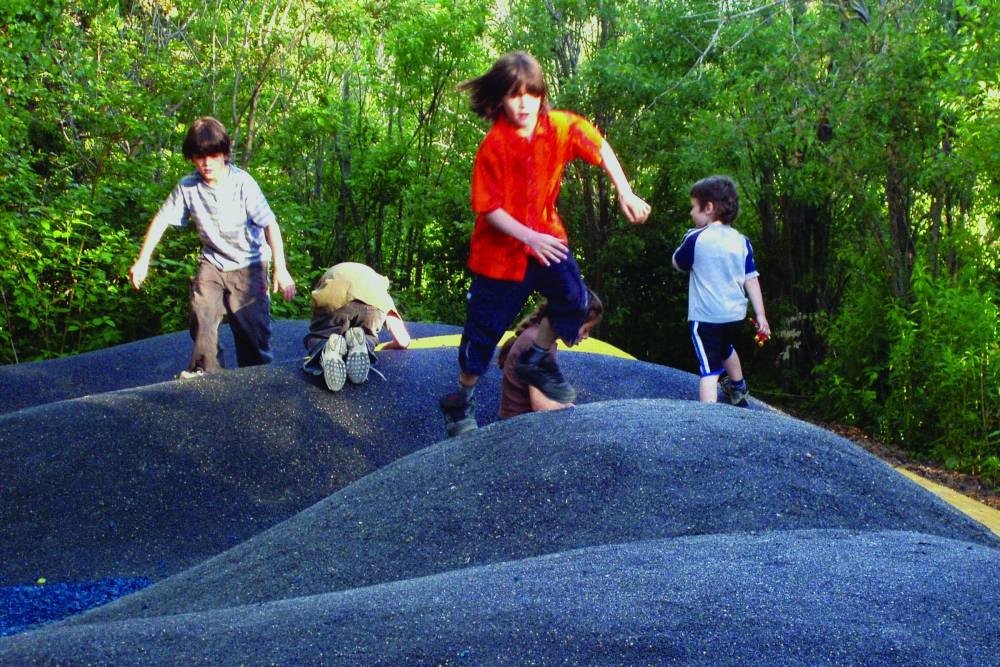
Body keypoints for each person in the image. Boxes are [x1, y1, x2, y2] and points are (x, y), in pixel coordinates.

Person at [439, 51, 651, 437]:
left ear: (541, 95)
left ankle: (536, 358)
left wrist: (625, 190)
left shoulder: (558, 126)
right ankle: (461, 402)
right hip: (500, 256)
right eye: (514, 95)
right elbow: (489, 209)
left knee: (576, 300)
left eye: (531, 95)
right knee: (482, 336)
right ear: (500, 98)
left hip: (546, 239)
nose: (523, 104)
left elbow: (599, 146)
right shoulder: (494, 146)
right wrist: (528, 235)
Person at [130, 116, 296, 377]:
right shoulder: (188, 187)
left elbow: (270, 224)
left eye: (213, 155)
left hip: (249, 264)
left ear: (225, 153)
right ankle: (207, 372)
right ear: (191, 157)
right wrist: (142, 260)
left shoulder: (243, 183)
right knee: (201, 312)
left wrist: (281, 268)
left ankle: (258, 376)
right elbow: (162, 219)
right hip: (213, 262)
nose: (206, 163)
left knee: (251, 329)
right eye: (199, 157)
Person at [671, 175, 771, 406]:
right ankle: (738, 386)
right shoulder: (741, 241)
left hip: (706, 317)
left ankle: (709, 419)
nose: (690, 213)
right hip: (734, 317)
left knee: (709, 369)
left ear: (708, 208)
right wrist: (761, 315)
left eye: (693, 207)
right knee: (726, 348)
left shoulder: (695, 238)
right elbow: (751, 280)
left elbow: (678, 263)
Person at [302, 262, 411, 391]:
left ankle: (326, 347)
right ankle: (363, 344)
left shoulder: (334, 272)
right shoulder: (377, 288)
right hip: (372, 305)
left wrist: (320, 327)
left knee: (321, 335)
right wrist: (389, 346)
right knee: (367, 335)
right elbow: (403, 340)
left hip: (334, 292)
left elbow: (317, 314)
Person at [497, 290, 603, 419]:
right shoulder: (537, 343)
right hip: (516, 428)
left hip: (517, 423)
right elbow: (541, 406)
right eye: (585, 329)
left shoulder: (539, 337)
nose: (586, 336)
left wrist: (568, 405)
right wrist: (572, 412)